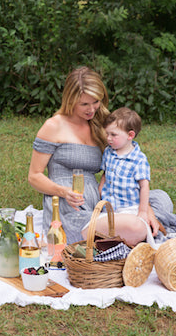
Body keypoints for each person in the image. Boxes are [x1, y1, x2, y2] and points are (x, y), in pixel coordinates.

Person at [27, 66, 162, 245]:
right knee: (136, 227)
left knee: (160, 198)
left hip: (101, 205)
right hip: (71, 210)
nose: (91, 109)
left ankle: (121, 230)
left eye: (96, 101)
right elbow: (34, 176)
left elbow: (126, 159)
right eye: (84, 104)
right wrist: (64, 192)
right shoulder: (54, 126)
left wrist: (146, 209)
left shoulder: (101, 123)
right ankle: (126, 232)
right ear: (70, 100)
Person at [96, 107, 152, 246]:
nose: (108, 138)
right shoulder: (109, 152)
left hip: (129, 207)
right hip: (108, 207)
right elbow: (105, 174)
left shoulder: (138, 159)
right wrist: (100, 192)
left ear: (130, 135)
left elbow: (144, 186)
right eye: (107, 134)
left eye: (113, 135)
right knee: (103, 231)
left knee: (134, 230)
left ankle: (134, 244)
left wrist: (143, 211)